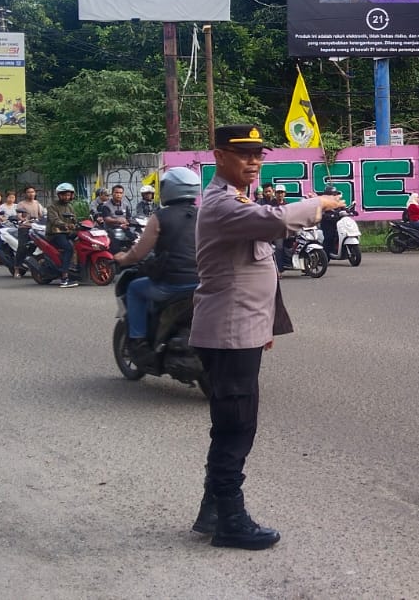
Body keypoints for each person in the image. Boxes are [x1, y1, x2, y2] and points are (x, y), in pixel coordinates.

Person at [189, 123, 344, 549]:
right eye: (244, 154)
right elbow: (277, 221)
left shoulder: (239, 200)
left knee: (231, 424)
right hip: (228, 331)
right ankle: (230, 520)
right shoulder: (223, 205)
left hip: (241, 329)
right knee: (236, 426)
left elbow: (257, 274)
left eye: (259, 154)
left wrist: (264, 328)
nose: (254, 161)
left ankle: (213, 510)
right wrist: (321, 203)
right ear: (219, 156)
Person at [114, 168, 203, 366]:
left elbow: (138, 253)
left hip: (173, 285)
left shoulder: (161, 216)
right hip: (204, 283)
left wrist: (122, 258)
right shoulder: (204, 215)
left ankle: (138, 341)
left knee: (134, 289)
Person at [46, 183, 81, 288]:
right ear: (59, 195)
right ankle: (64, 277)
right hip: (55, 233)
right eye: (64, 195)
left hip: (67, 232)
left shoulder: (70, 206)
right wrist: (65, 225)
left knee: (82, 240)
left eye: (68, 195)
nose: (66, 197)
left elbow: (75, 220)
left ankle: (76, 267)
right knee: (68, 248)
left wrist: (79, 225)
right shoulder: (52, 206)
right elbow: (54, 220)